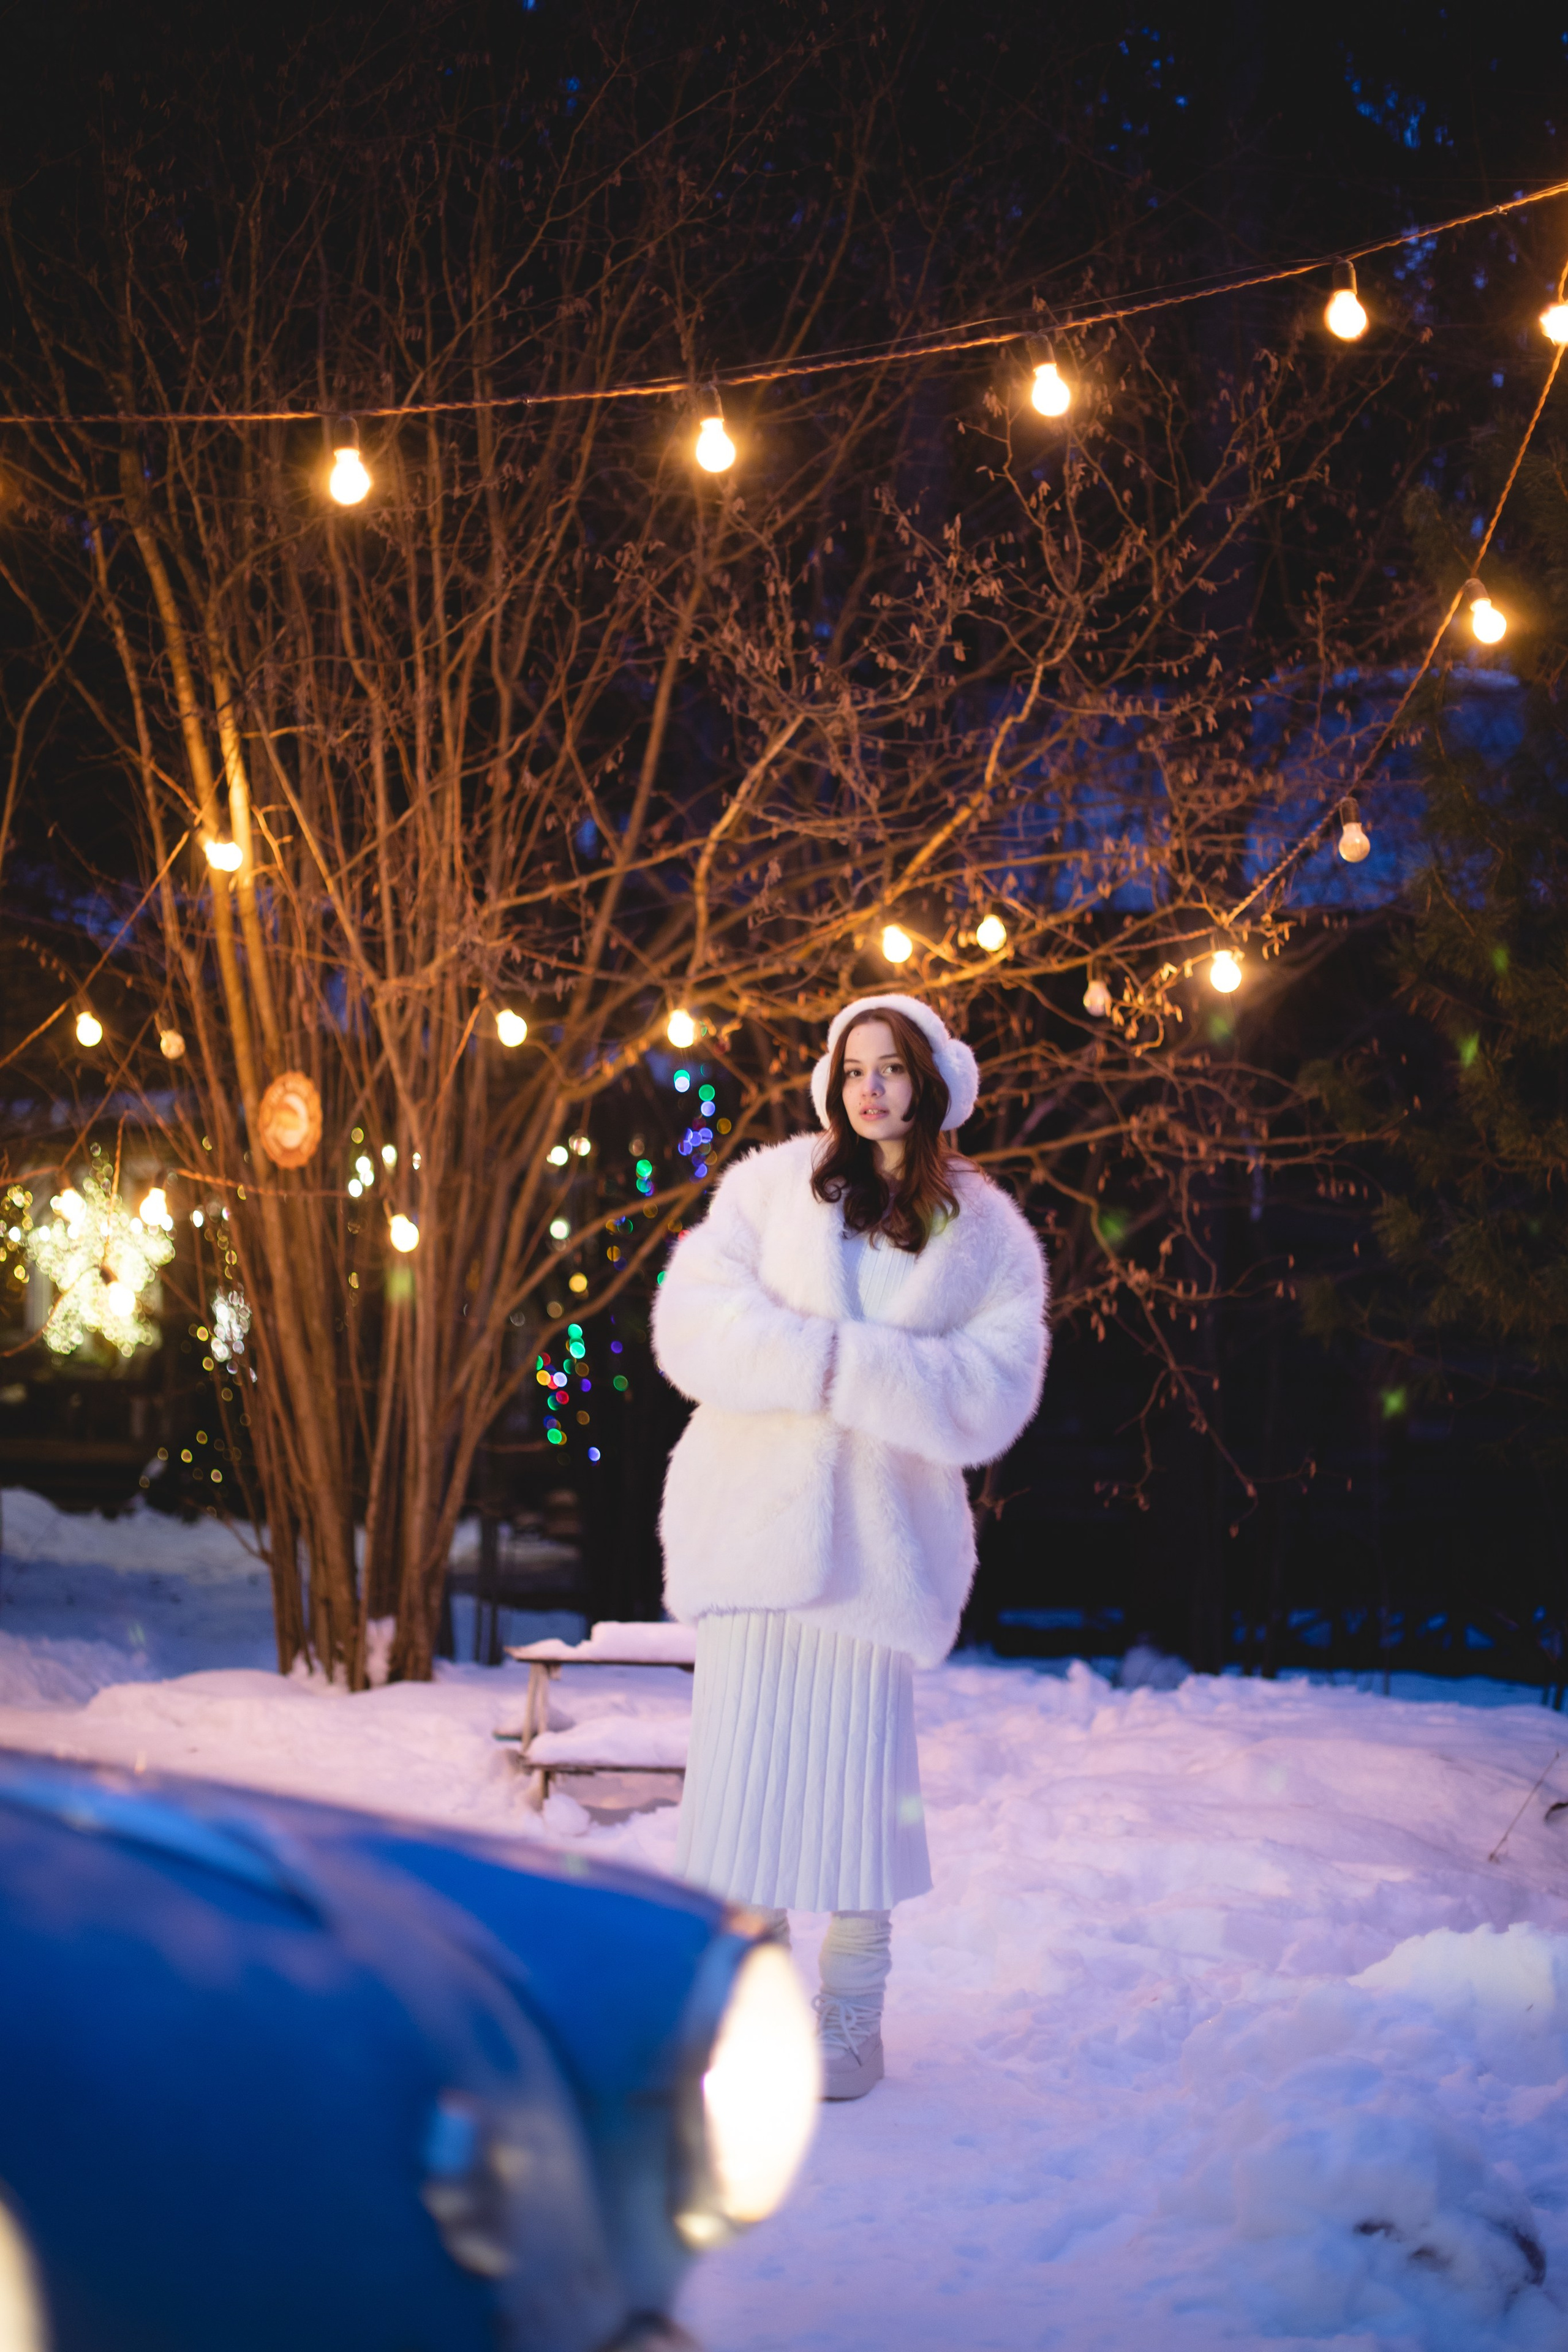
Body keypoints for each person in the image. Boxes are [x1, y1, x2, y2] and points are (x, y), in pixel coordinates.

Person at [652, 993, 1050, 2098]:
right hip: (752, 1527)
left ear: (933, 1085)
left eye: (894, 1069)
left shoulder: (984, 1232)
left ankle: (853, 2020)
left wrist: (860, 1375)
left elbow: (998, 1384)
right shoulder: (771, 1188)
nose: (871, 1087)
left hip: (876, 1549)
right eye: (855, 1068)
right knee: (746, 1789)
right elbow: (690, 1319)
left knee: (855, 1790)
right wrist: (807, 1361)